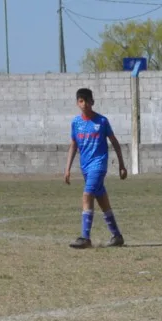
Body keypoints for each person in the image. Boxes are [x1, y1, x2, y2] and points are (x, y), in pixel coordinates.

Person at [64, 87, 126, 249]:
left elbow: (114, 142)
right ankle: (117, 236)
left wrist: (121, 164)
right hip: (85, 167)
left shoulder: (102, 121)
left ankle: (85, 238)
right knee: (102, 200)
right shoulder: (76, 123)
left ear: (92, 102)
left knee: (87, 195)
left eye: (86, 100)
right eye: (80, 101)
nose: (84, 104)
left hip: (98, 165)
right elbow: (73, 145)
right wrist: (67, 168)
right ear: (77, 103)